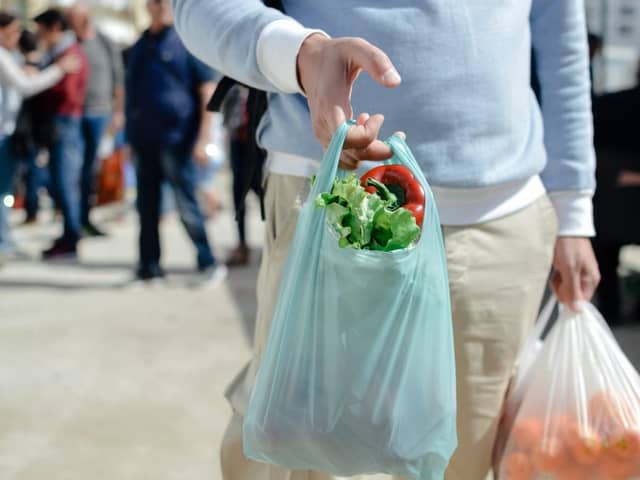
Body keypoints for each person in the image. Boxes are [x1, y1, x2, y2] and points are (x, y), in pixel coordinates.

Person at [173, 1, 600, 479]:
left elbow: (562, 41)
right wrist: (302, 55)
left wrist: (573, 209)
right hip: (326, 200)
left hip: (495, 217)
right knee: (295, 452)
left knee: (462, 457)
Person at [125, 0, 225, 285]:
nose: (162, 7)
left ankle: (208, 262)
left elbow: (208, 92)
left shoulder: (187, 43)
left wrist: (205, 139)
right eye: (156, 2)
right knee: (147, 207)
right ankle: (149, 267)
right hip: (144, 139)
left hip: (178, 139)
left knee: (187, 204)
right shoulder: (140, 46)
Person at [0, 11, 79, 262]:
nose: (18, 38)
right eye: (13, 33)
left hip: (9, 130)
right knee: (2, 191)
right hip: (3, 132)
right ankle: (3, 243)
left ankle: (5, 241)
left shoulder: (10, 55)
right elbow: (25, 86)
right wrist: (58, 69)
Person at [33, 8, 89, 260]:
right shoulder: (59, 54)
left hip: (64, 121)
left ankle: (71, 238)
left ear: (55, 27)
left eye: (41, 30)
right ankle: (69, 234)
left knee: (65, 183)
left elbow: (68, 94)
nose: (38, 35)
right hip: (60, 122)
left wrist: (44, 80)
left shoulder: (69, 54)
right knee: (59, 181)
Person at [67, 2, 125, 237]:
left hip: (100, 113)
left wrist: (118, 112)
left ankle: (85, 217)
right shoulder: (69, 45)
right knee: (74, 170)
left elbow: (118, 79)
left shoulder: (104, 42)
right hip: (75, 114)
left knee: (92, 169)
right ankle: (74, 219)